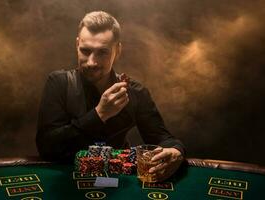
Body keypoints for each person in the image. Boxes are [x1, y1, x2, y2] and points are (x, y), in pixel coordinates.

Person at [36, 11, 185, 182]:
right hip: (66, 184)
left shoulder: (135, 92)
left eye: (102, 53)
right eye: (85, 51)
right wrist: (100, 114)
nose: (92, 62)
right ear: (77, 45)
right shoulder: (59, 83)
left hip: (117, 183)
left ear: (117, 51)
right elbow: (47, 147)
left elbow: (163, 139)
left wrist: (176, 151)